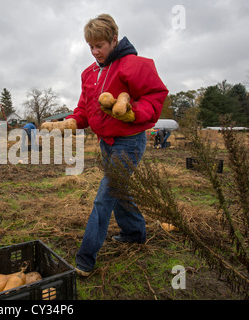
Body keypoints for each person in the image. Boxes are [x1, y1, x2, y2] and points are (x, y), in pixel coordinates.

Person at [41, 14, 168, 276]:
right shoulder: (89, 73)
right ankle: (135, 234)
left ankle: (85, 260)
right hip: (106, 143)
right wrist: (70, 122)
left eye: (100, 45)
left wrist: (133, 111)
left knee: (104, 196)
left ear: (114, 39)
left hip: (129, 142)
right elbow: (84, 110)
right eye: (91, 46)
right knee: (118, 191)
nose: (95, 51)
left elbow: (154, 95)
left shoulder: (134, 65)